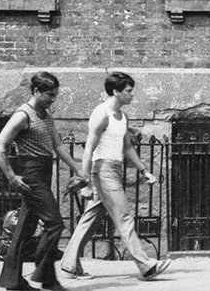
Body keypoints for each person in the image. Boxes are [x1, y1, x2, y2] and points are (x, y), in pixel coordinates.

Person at [59, 72, 171, 281]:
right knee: (124, 216)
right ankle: (146, 265)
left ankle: (69, 265)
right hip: (102, 170)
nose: (132, 95)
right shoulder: (101, 114)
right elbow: (89, 149)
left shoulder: (122, 116)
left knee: (91, 219)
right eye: (128, 91)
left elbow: (127, 147)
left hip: (114, 169)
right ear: (116, 91)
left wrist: (143, 170)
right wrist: (87, 183)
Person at [0, 72, 86, 291]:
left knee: (24, 230)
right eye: (49, 95)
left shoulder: (45, 114)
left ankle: (14, 282)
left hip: (44, 171)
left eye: (55, 95)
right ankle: (43, 273)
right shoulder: (22, 115)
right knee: (55, 224)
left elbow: (58, 146)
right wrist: (11, 177)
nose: (53, 99)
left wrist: (77, 169)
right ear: (36, 91)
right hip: (31, 174)